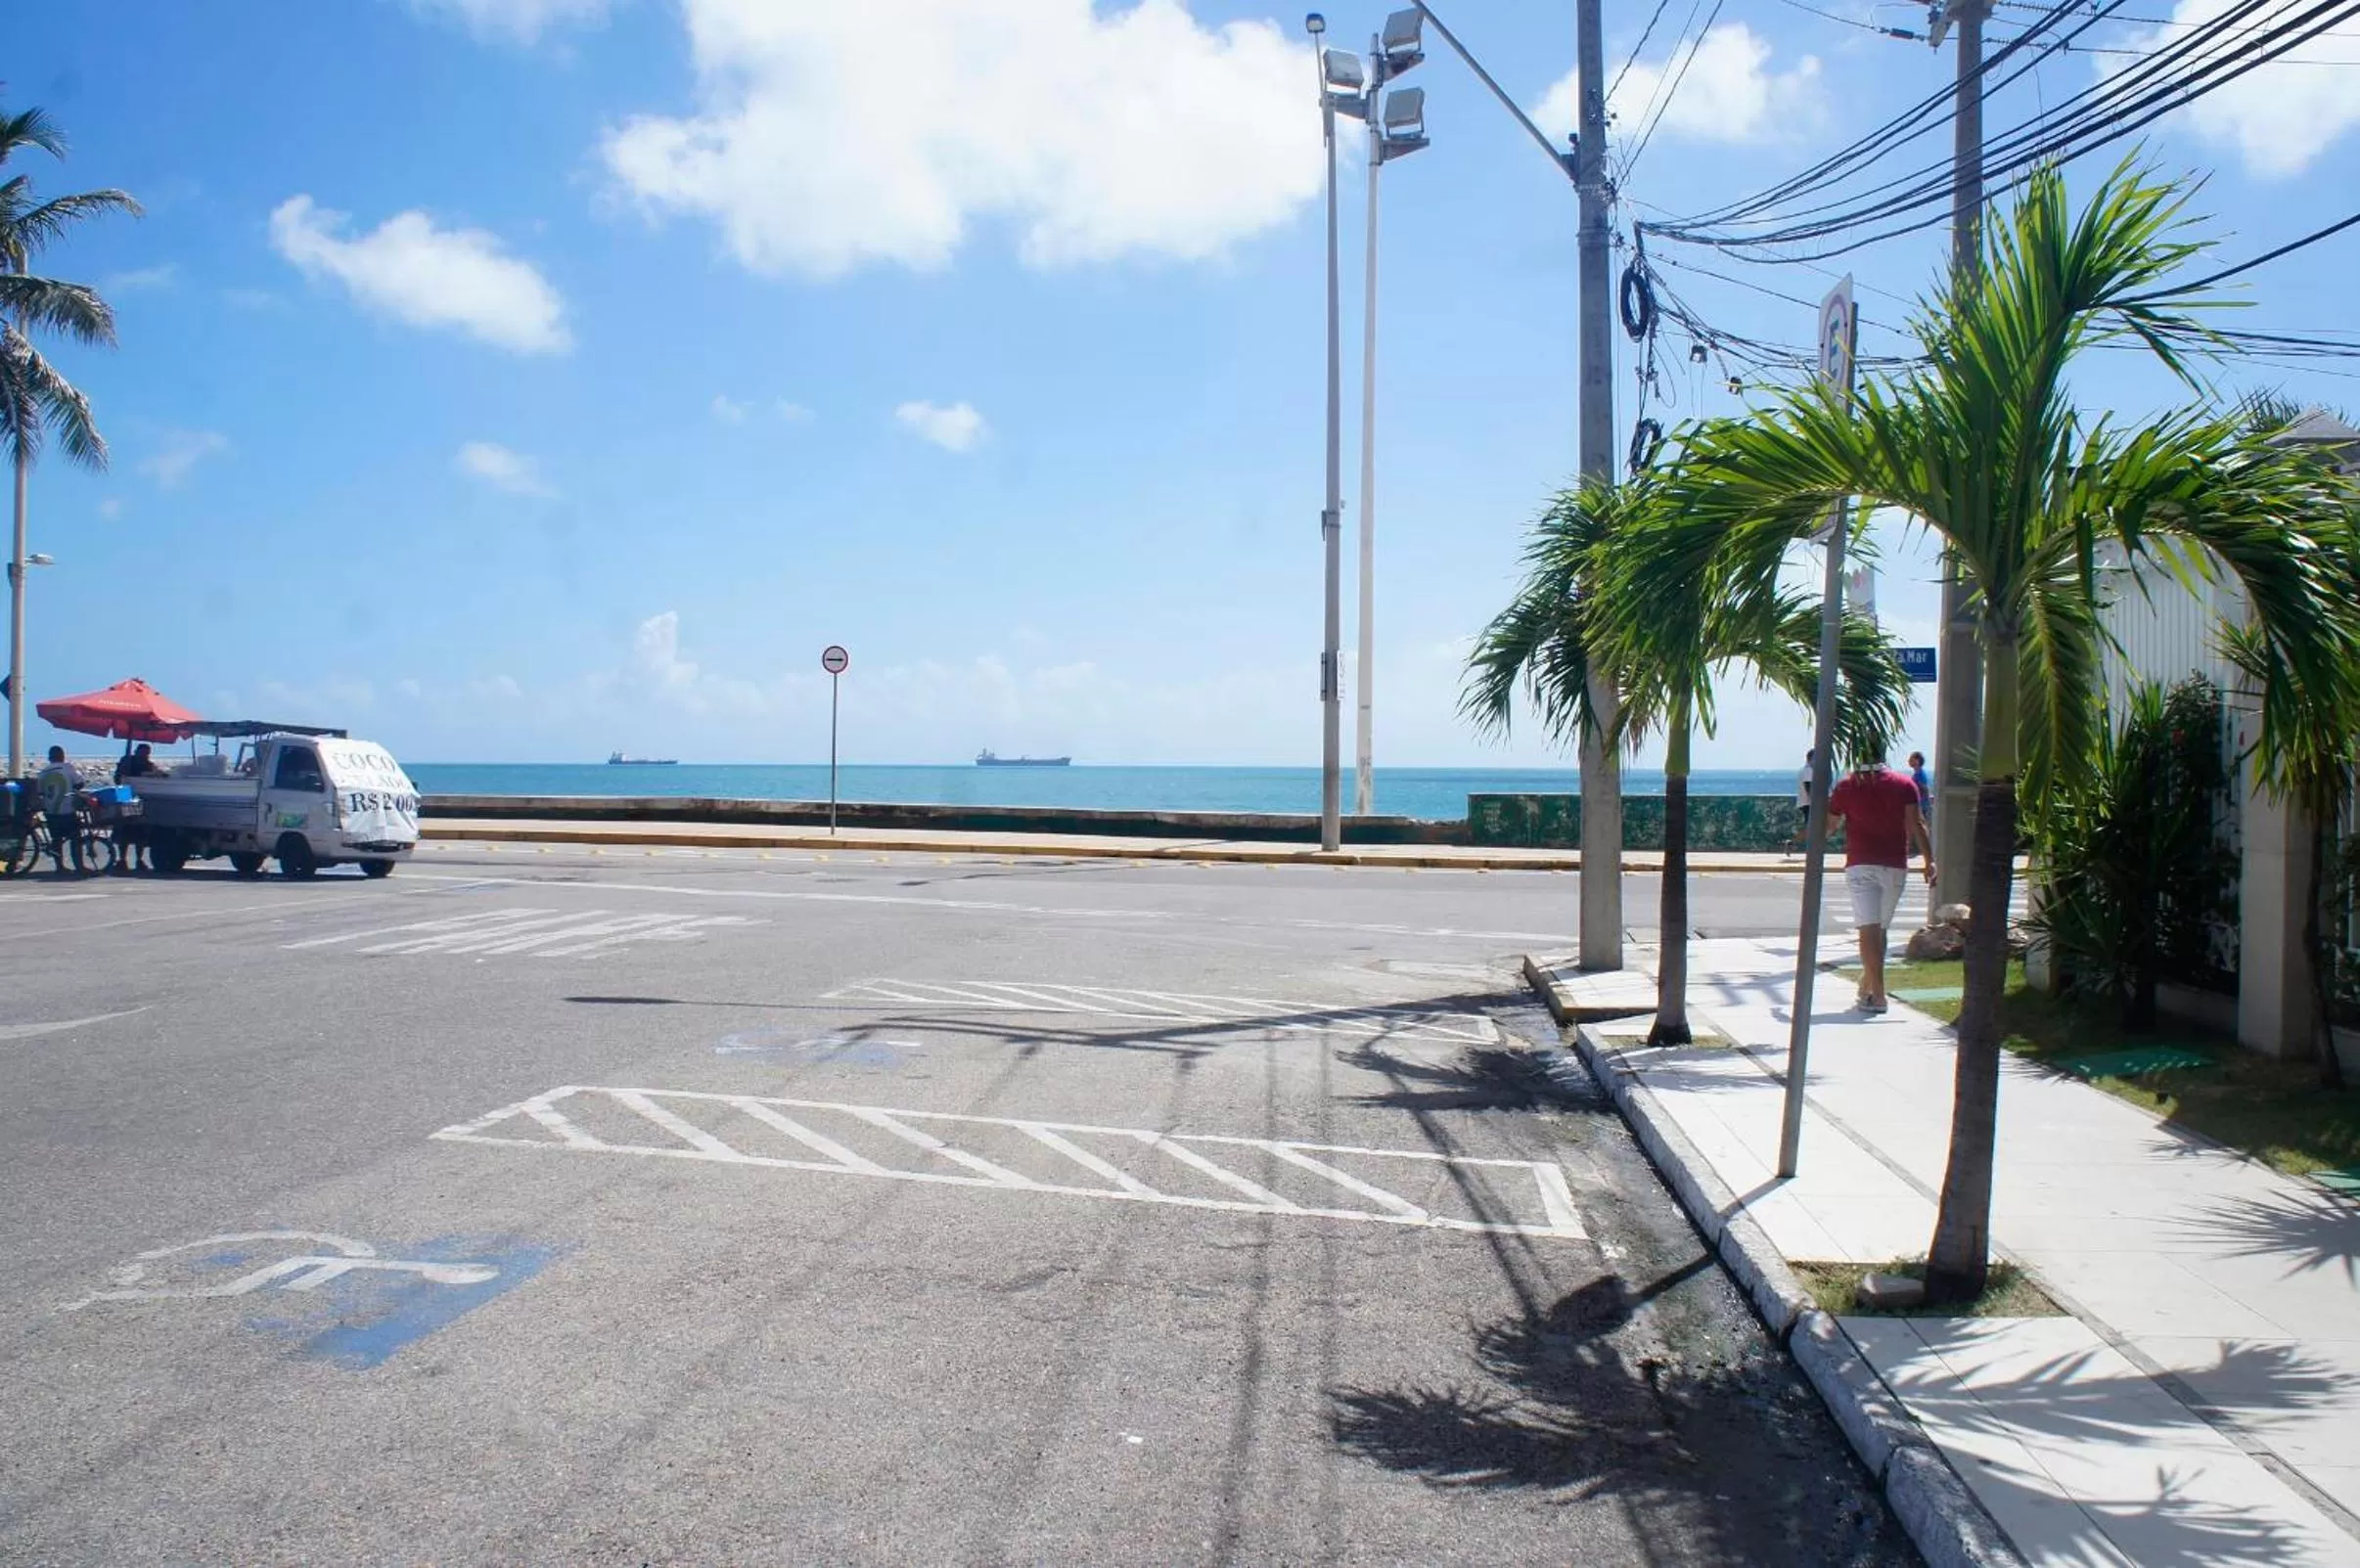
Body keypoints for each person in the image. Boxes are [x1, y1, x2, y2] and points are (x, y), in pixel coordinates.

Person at [1827, 752, 1935, 1013]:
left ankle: (1878, 995)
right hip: (1895, 866)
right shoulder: (1904, 785)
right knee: (1880, 929)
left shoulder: (1846, 785)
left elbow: (1829, 825)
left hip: (1860, 864)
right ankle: (1868, 985)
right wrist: (1930, 860)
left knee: (1869, 929)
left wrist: (1802, 838)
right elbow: (1917, 824)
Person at [35, 744, 85, 875]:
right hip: (67, 809)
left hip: (51, 811)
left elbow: (40, 792)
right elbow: (80, 783)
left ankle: (59, 867)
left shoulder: (43, 772)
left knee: (56, 839)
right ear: (62, 756)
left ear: (49, 758)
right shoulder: (68, 768)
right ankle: (79, 866)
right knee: (75, 838)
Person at [112, 742, 160, 872]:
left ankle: (135, 860)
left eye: (147, 753)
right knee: (128, 828)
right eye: (144, 752)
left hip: (133, 794)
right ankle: (124, 860)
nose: (145, 755)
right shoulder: (127, 761)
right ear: (138, 751)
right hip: (126, 794)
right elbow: (118, 779)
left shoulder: (144, 764)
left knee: (137, 829)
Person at [1788, 751, 1815, 856]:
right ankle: (1792, 843)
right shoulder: (1808, 771)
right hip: (1808, 804)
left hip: (1806, 803)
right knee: (1811, 827)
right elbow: (1809, 788)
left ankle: (1793, 843)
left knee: (1810, 827)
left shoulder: (1806, 770)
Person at [1907, 750, 1933, 831]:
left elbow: (1924, 789)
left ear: (1917, 761)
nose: (1909, 761)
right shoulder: (1917, 773)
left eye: (1911, 759)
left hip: (1921, 806)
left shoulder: (1920, 774)